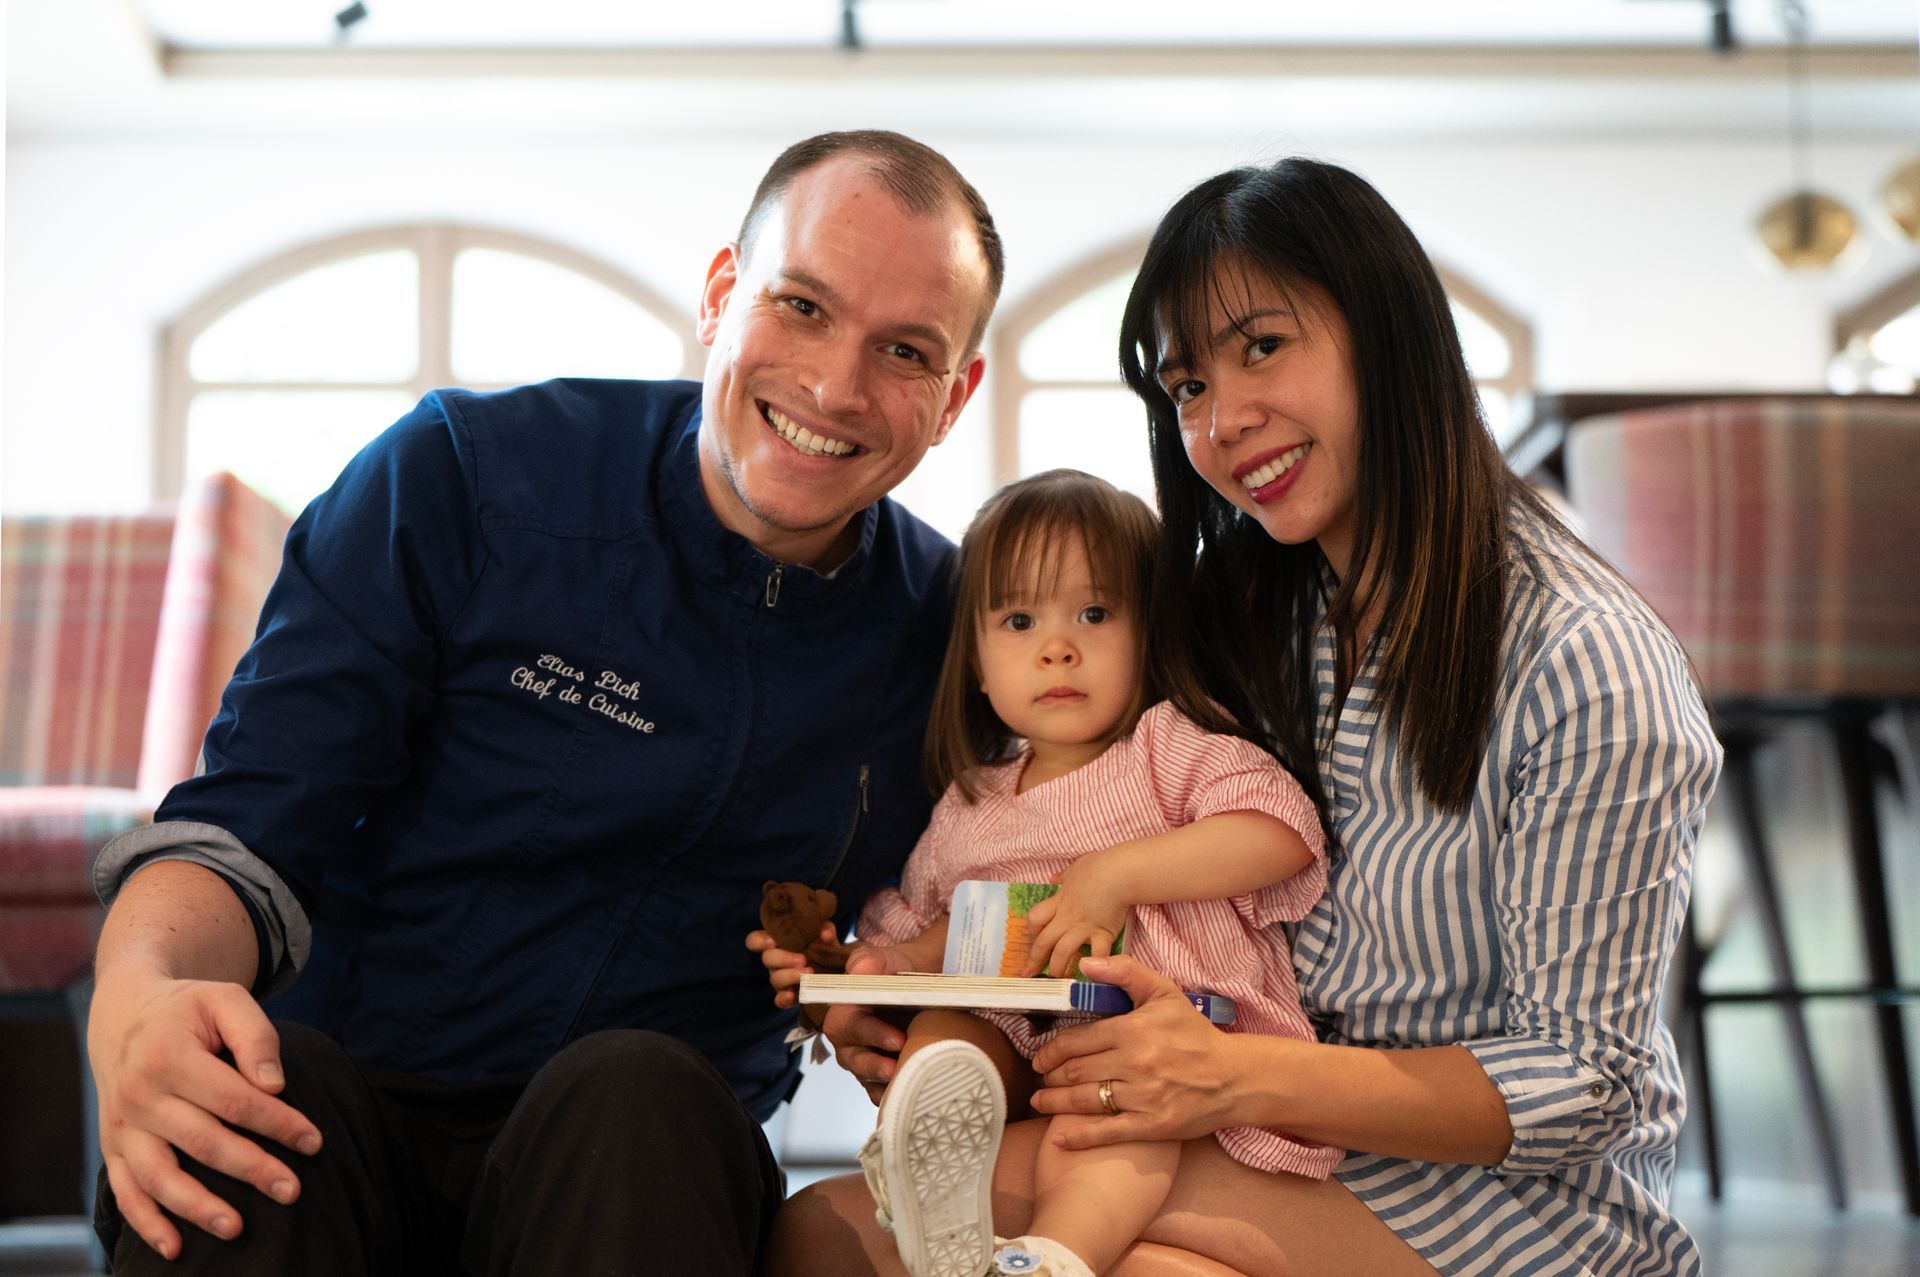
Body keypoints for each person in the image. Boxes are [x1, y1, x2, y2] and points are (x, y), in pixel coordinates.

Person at [770, 158, 1720, 1277]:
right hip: (1270, 1138)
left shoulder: (1586, 665)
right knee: (824, 1236)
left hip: (1511, 1207)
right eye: (1187, 387)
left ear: (1387, 331)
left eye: (1262, 347)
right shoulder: (1251, 609)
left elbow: (1586, 1083)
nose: (1224, 421)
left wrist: (1226, 1074)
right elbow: (1067, 837)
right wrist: (910, 996)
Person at [84, 129, 1004, 1276]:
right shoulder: (460, 476)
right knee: (251, 1086)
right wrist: (138, 989)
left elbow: (1013, 879)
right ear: (722, 294)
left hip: (637, 1174)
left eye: (905, 350)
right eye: (802, 306)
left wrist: (900, 992)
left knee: (639, 1085)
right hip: (342, 1109)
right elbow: (244, 831)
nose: (834, 386)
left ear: (956, 396)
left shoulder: (961, 636)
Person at [752, 469, 1332, 1277]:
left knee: (1108, 1132)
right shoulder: (971, 802)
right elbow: (925, 930)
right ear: (979, 664)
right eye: (1020, 620)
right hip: (1015, 1049)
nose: (1057, 647)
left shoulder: (1168, 746)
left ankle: (1054, 1256)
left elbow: (1279, 830)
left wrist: (1115, 875)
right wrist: (858, 969)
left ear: (1152, 633)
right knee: (947, 1038)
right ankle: (927, 1171)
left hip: (1154, 1048)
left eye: (1094, 613)